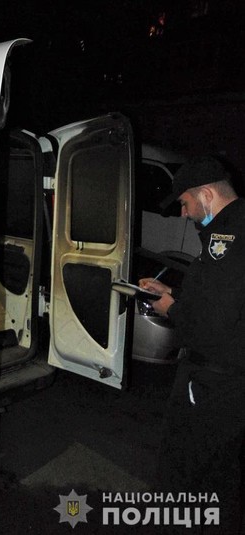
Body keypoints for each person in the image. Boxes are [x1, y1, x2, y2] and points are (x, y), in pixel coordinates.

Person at [139, 155, 245, 533]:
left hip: (212, 381)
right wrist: (172, 292)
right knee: (218, 472)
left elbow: (213, 323)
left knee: (187, 471)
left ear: (206, 194)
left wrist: (171, 308)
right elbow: (221, 299)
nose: (183, 213)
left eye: (185, 203)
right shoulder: (231, 228)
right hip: (227, 379)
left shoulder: (228, 237)